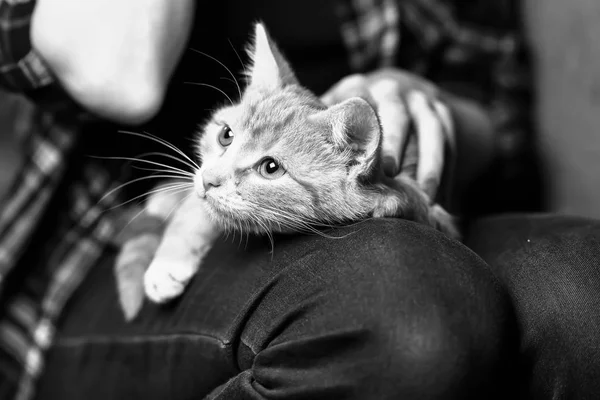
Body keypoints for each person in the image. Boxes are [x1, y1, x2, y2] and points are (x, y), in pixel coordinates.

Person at [0, 0, 599, 399]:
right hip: (96, 254)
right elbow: (120, 72)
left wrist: (420, 102)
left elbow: (499, 109)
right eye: (227, 134)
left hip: (373, 187)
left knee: (580, 291)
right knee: (405, 313)